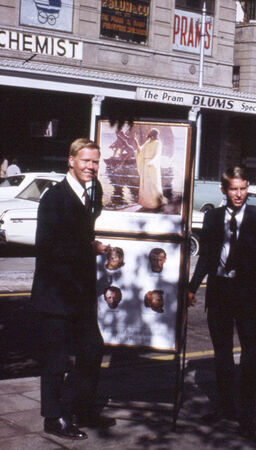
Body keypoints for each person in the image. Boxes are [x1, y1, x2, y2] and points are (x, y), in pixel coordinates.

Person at [31, 138, 113, 440]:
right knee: (55, 360)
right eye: (85, 161)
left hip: (80, 295)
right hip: (55, 295)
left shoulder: (91, 195)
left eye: (95, 162)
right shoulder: (54, 197)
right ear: (71, 161)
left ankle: (80, 408)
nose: (91, 167)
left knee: (92, 350)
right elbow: (47, 247)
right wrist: (89, 247)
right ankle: (54, 418)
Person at [188, 166, 256, 439]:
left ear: (247, 188)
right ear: (223, 190)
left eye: (243, 188)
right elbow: (205, 257)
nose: (239, 194)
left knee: (250, 357)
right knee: (223, 356)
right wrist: (192, 288)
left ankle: (247, 416)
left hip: (248, 296)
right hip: (219, 293)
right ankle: (225, 408)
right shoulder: (213, 218)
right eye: (233, 189)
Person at [133, 128, 168, 209]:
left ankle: (155, 203)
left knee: (153, 183)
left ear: (154, 134)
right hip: (145, 165)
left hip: (152, 166)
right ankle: (146, 202)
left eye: (151, 132)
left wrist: (152, 162)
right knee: (145, 184)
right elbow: (139, 150)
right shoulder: (147, 143)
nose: (149, 133)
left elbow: (157, 154)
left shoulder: (158, 143)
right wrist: (136, 141)